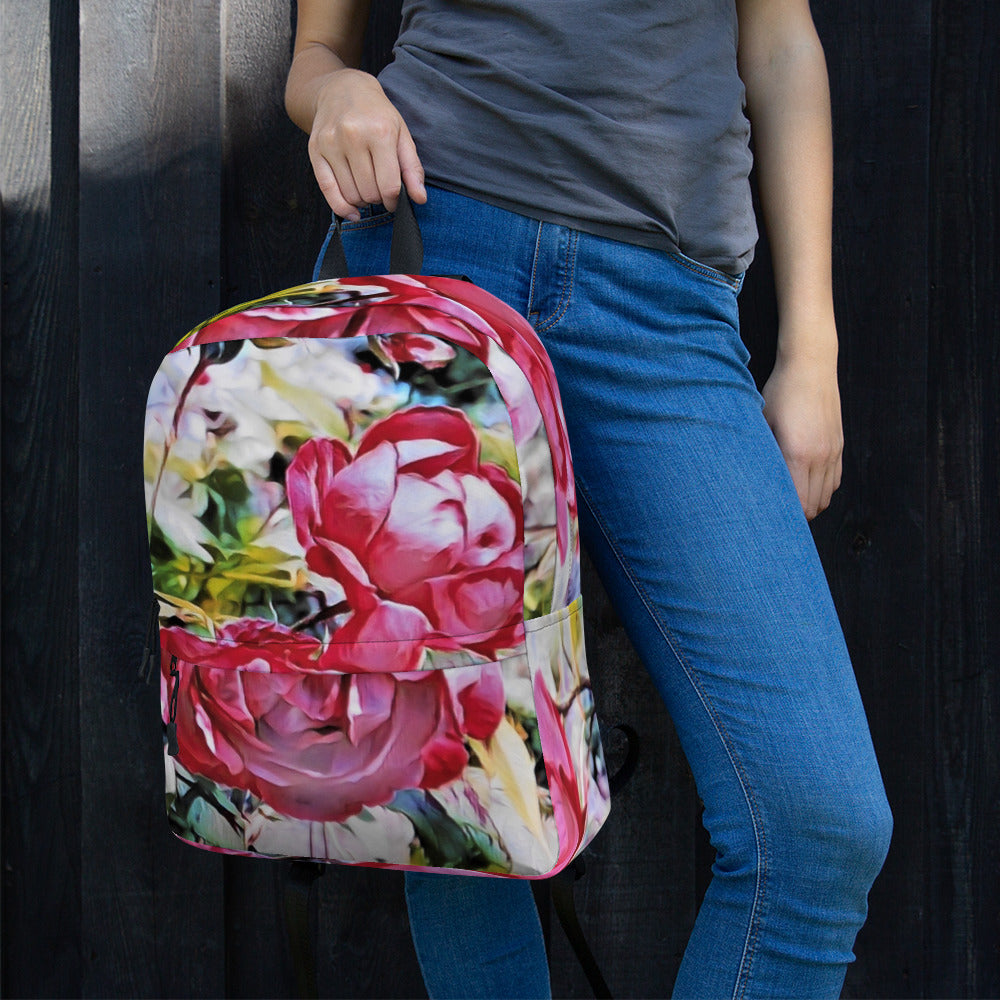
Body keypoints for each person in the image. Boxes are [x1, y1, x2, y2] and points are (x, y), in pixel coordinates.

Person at [284, 0, 894, 996]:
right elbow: (316, 54)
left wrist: (812, 351)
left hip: (668, 318)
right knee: (457, 807)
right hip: (440, 252)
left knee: (818, 825)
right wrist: (337, 92)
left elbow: (782, 41)